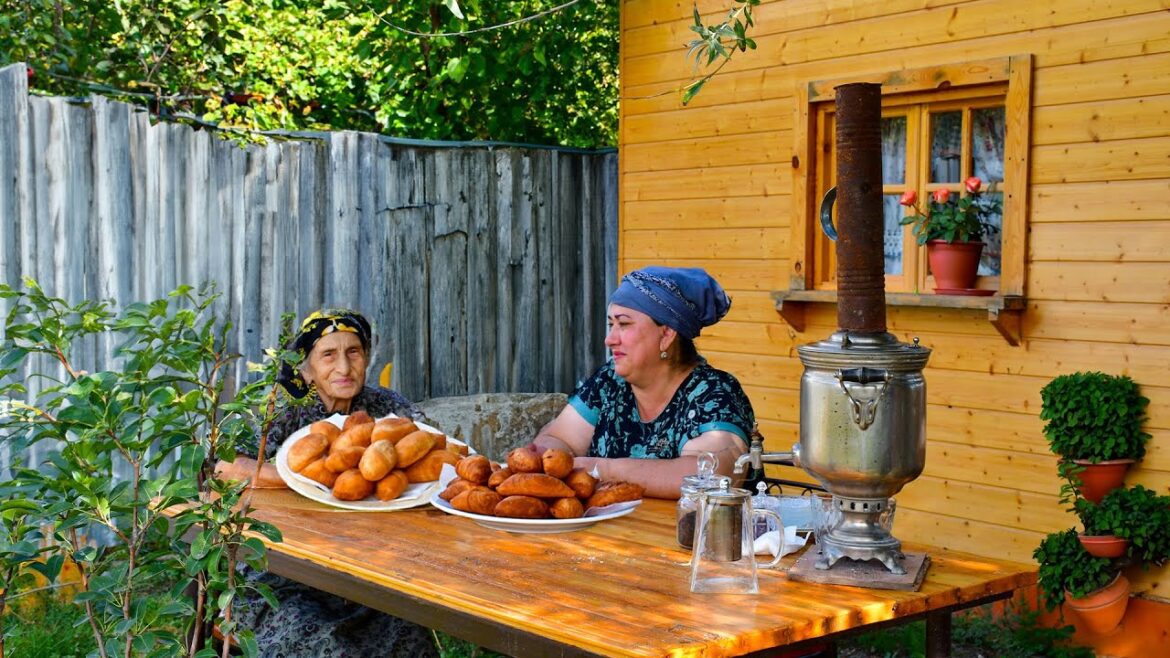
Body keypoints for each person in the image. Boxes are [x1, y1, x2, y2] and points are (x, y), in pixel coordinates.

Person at [215, 309, 437, 658]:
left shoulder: (386, 406)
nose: (344, 368)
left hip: (368, 568)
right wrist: (306, 478)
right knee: (326, 645)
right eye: (329, 355)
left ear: (367, 357)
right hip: (280, 572)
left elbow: (432, 448)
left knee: (408, 636)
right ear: (307, 368)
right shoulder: (281, 405)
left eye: (354, 352)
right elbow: (225, 467)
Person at [533, 266, 755, 499]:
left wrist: (601, 469)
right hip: (618, 523)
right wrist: (547, 458)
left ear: (666, 335)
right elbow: (559, 438)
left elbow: (713, 475)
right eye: (611, 325)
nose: (609, 339)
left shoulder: (713, 392)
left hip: (686, 524)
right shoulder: (609, 382)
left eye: (624, 324)